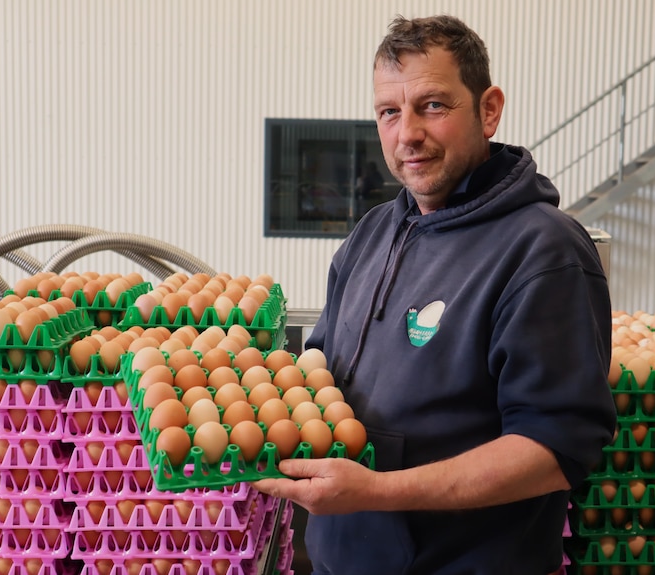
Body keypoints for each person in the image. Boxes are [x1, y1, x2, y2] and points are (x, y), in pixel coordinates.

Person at [253, 14, 616, 575]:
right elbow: (320, 369)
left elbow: (555, 450)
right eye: (389, 112)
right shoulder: (373, 232)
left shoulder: (542, 250)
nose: (407, 134)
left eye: (433, 106)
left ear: (489, 109)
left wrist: (376, 491)